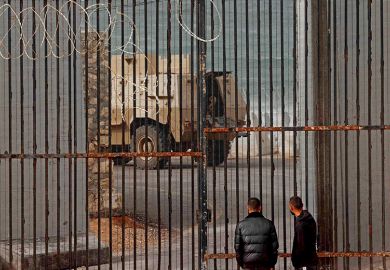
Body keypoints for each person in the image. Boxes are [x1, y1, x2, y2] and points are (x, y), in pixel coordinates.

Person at [234, 197, 279, 270]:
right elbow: (274, 247)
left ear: (248, 208)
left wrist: (242, 264)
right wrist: (271, 263)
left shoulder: (240, 225)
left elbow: (238, 249)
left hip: (248, 264)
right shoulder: (269, 224)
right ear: (260, 208)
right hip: (265, 264)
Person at [289, 196, 319, 270]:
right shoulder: (309, 218)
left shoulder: (301, 224)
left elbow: (301, 246)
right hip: (310, 260)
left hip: (304, 263)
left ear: (291, 208)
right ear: (302, 205)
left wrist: (296, 261)